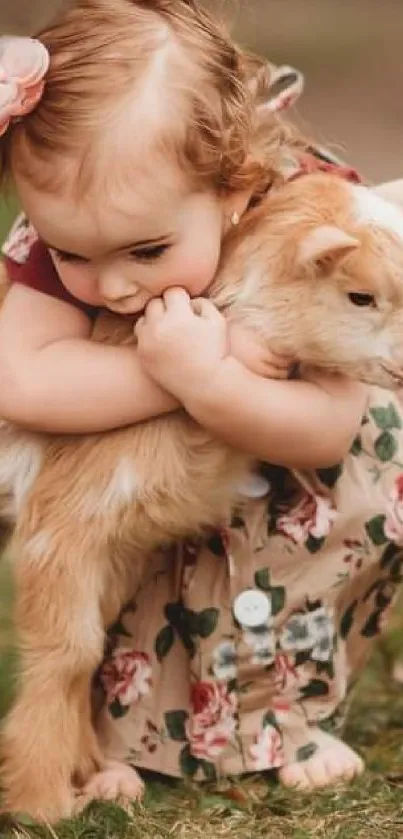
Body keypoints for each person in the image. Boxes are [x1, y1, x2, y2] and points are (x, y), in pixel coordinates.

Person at [0, 0, 402, 800]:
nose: (111, 284)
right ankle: (119, 726)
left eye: (146, 251)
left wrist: (215, 387)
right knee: (113, 600)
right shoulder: (67, 237)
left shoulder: (308, 231)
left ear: (232, 189)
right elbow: (20, 380)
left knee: (303, 567)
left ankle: (284, 714)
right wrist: (178, 368)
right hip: (149, 500)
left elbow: (326, 429)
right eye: (74, 252)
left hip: (296, 501)